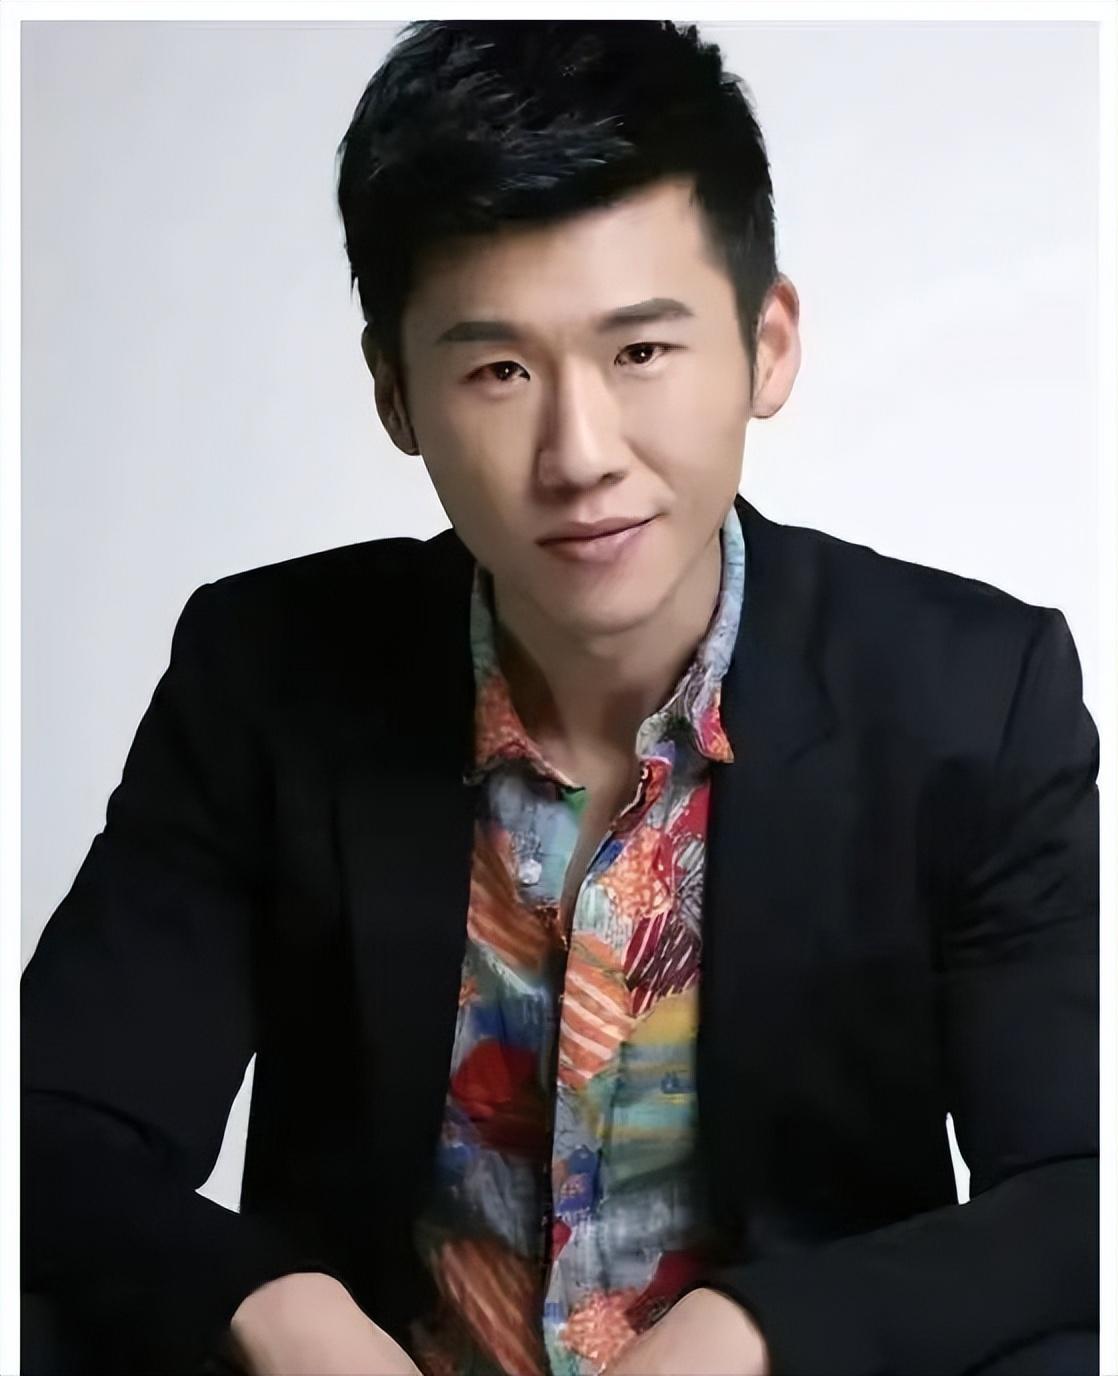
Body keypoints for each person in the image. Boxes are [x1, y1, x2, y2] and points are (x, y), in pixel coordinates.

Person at [21, 19, 1099, 1376]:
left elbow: (1080, 1190)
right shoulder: (270, 674)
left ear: (767, 345)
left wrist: (759, 1331)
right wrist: (279, 1311)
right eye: (498, 371)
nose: (578, 454)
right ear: (396, 397)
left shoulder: (968, 696)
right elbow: (46, 1130)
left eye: (640, 353)